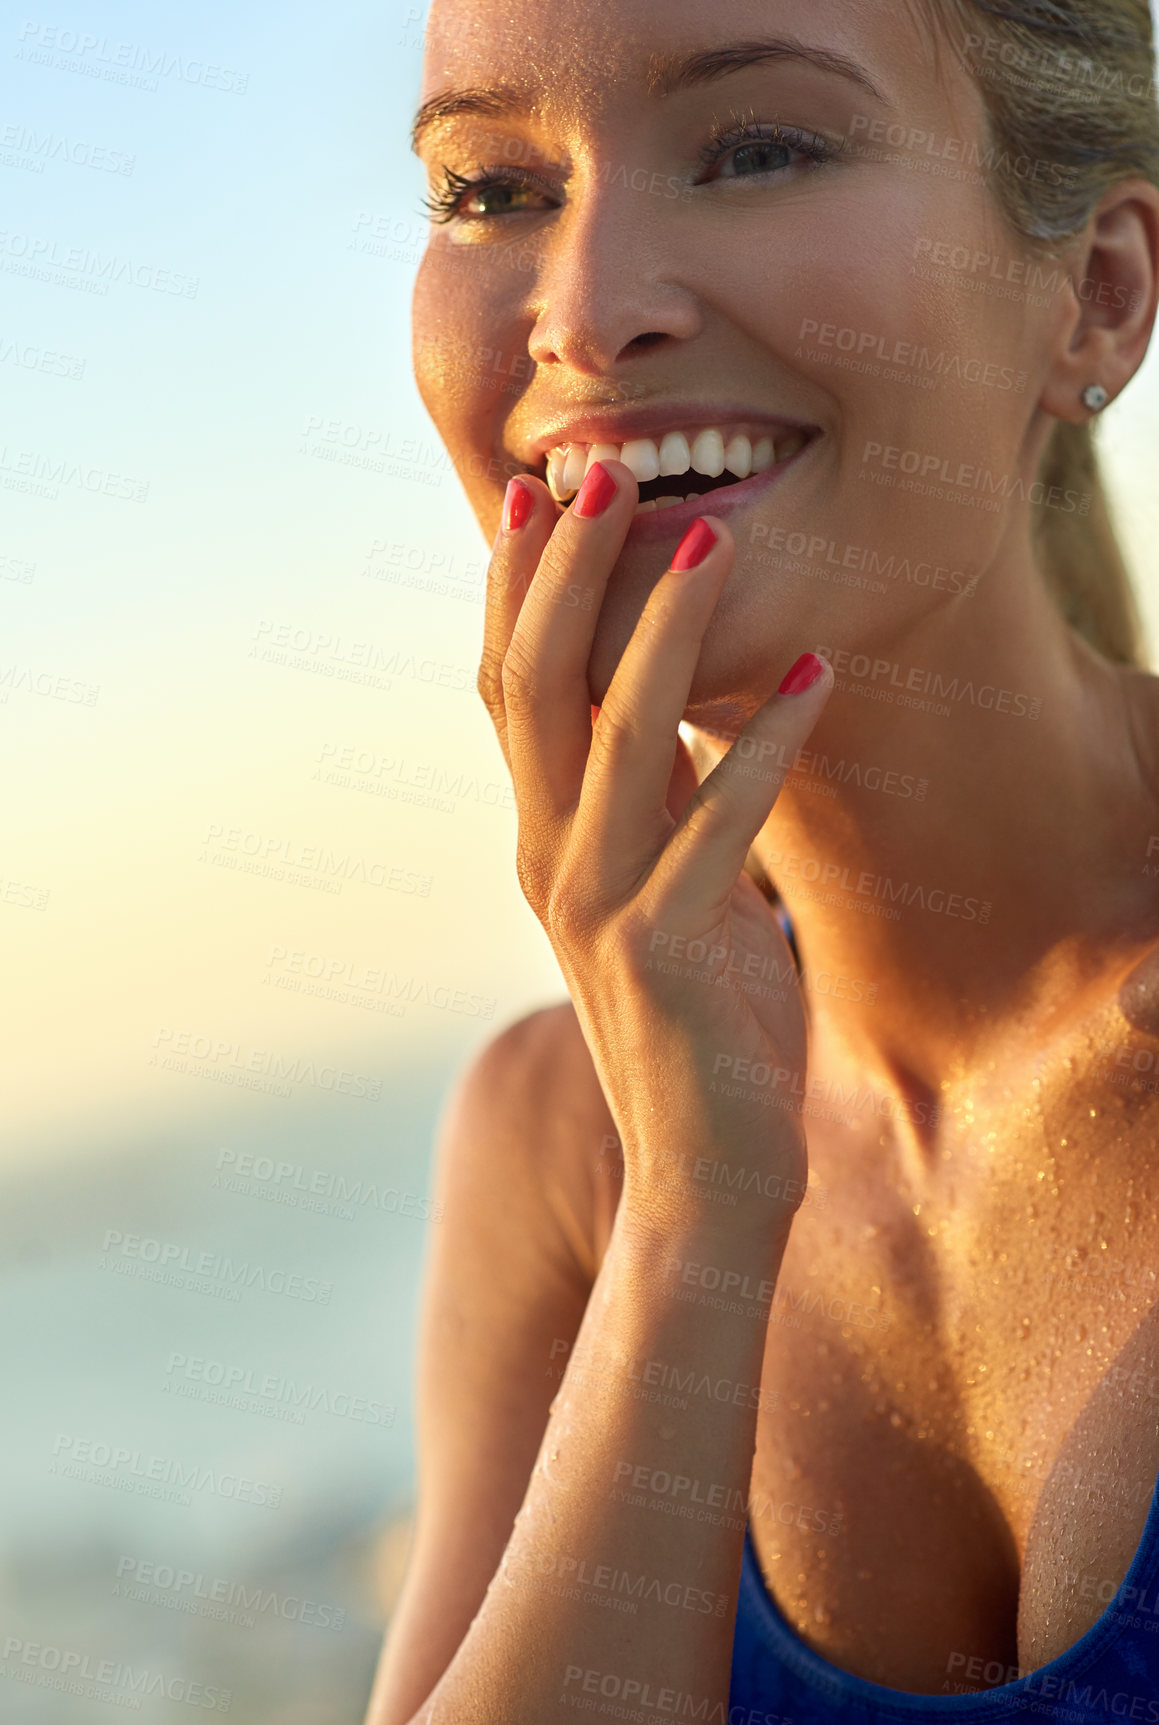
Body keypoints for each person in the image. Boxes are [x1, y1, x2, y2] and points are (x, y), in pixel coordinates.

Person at [364, 0, 1159, 1718]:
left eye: (761, 147)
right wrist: (695, 1215)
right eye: (491, 191)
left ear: (1096, 291)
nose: (583, 313)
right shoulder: (561, 1151)